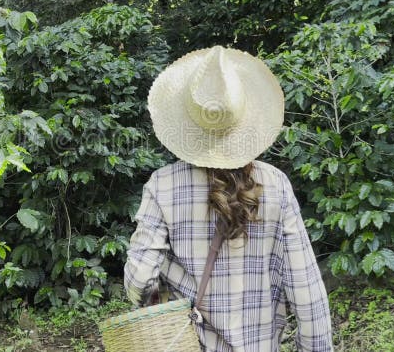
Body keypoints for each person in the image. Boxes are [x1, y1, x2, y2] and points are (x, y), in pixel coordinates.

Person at [124, 45, 333, 351]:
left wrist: (158, 301)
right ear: (245, 114)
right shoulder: (275, 184)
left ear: (188, 118)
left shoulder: (162, 185)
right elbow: (306, 291)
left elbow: (139, 280)